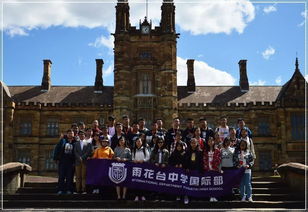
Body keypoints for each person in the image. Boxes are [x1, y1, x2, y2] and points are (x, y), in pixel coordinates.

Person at [53, 129, 76, 195]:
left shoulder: (75, 142)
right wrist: (55, 158)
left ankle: (69, 190)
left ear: (73, 134)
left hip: (71, 162)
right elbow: (57, 148)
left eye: (71, 133)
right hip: (63, 161)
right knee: (61, 176)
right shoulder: (63, 140)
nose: (70, 134)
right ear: (67, 134)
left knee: (70, 176)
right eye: (69, 133)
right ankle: (60, 190)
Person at [183, 138, 203, 204]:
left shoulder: (200, 151)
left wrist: (200, 169)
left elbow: (201, 162)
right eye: (192, 143)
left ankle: (196, 196)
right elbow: (185, 160)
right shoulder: (187, 151)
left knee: (196, 184)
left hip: (196, 170)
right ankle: (188, 196)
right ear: (190, 143)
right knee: (188, 184)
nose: (193, 144)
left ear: (197, 143)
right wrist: (187, 167)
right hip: (189, 170)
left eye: (195, 143)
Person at [150, 137, 169, 202]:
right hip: (156, 169)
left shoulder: (166, 151)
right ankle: (156, 196)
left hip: (163, 169)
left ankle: (162, 196)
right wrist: (155, 163)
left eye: (161, 142)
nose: (160, 144)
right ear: (157, 143)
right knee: (156, 183)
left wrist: (165, 164)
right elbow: (151, 159)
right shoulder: (154, 150)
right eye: (159, 142)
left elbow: (168, 160)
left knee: (162, 183)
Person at [203, 136, 221, 202]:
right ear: (207, 142)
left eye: (211, 141)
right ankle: (210, 196)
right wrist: (206, 167)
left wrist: (215, 166)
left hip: (215, 169)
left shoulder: (217, 150)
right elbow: (204, 159)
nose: (210, 142)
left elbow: (219, 159)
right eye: (209, 141)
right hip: (208, 169)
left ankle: (215, 196)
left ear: (214, 142)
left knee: (215, 184)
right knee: (209, 183)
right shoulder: (205, 150)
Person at [131, 137, 150, 201]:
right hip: (136, 167)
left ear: (141, 142)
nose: (138, 143)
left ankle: (142, 195)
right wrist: (134, 160)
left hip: (143, 167)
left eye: (139, 141)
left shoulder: (144, 149)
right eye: (137, 141)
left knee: (143, 182)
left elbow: (148, 157)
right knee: (136, 182)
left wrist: (143, 160)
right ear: (135, 143)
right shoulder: (133, 149)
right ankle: (136, 195)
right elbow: (132, 157)